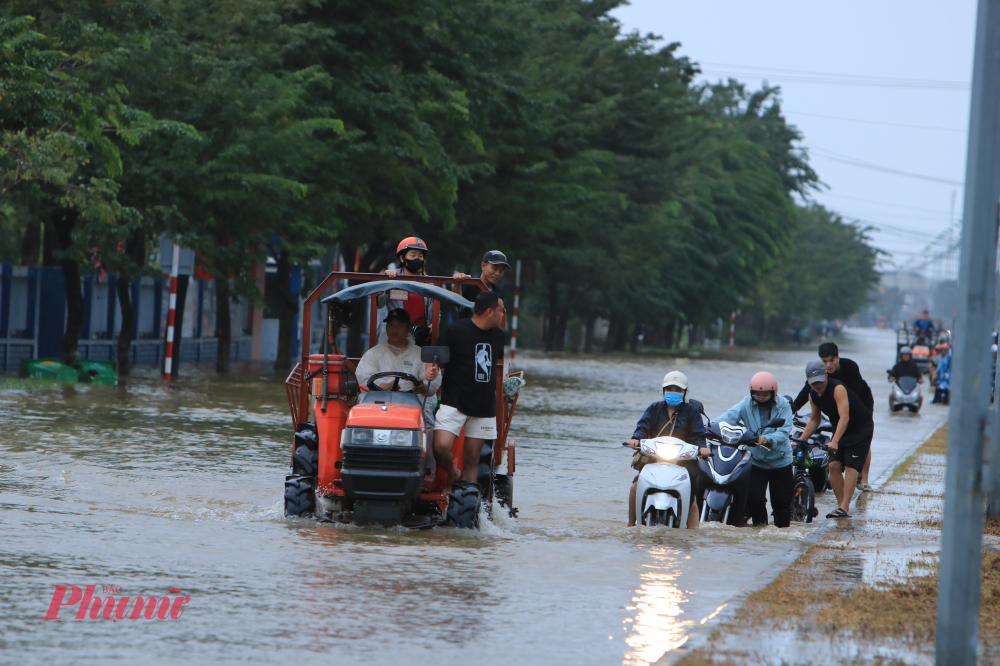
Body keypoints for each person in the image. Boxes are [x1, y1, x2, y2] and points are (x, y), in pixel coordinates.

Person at [424, 291, 506, 492]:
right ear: (489, 311)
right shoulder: (454, 331)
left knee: (472, 459)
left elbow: (496, 366)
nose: (503, 314)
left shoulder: (500, 336)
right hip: (454, 401)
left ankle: (466, 506)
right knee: (440, 446)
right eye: (501, 310)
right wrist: (431, 369)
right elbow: (435, 360)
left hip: (484, 406)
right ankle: (452, 473)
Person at [626, 371, 710, 528]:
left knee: (691, 500)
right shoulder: (654, 409)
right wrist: (636, 438)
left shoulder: (692, 411)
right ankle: (631, 526)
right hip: (655, 459)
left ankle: (693, 535)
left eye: (678, 390)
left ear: (685, 392)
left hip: (684, 462)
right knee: (635, 487)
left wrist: (703, 448)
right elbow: (642, 427)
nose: (673, 392)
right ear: (663, 390)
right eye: (669, 389)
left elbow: (699, 435)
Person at [712, 372, 794, 527]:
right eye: (757, 395)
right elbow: (729, 416)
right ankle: (760, 531)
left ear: (773, 393)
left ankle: (781, 540)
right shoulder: (746, 403)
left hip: (780, 462)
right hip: (756, 461)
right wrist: (710, 427)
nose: (761, 398)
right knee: (754, 500)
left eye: (765, 395)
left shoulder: (784, 405)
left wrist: (767, 439)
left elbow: (783, 432)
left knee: (781, 507)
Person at [792, 342, 875, 492]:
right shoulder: (820, 374)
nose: (828, 365)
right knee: (840, 442)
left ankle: (864, 479)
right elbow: (807, 391)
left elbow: (853, 396)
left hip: (861, 403)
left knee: (862, 439)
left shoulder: (850, 367)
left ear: (838, 357)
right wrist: (791, 409)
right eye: (824, 361)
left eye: (831, 360)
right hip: (840, 405)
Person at [799, 360, 874, 519]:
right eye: (813, 382)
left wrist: (835, 440)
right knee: (833, 465)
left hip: (860, 428)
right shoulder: (813, 395)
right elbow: (814, 421)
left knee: (850, 466)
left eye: (820, 380)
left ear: (826, 375)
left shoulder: (837, 388)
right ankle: (842, 507)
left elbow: (845, 417)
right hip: (841, 429)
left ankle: (845, 507)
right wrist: (800, 440)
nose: (817, 385)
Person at [355, 308, 442, 431]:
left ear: (408, 328)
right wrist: (381, 385)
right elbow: (363, 376)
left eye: (400, 325)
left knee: (427, 421)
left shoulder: (420, 354)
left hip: (411, 405)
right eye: (391, 325)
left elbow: (432, 381)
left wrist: (423, 386)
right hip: (378, 404)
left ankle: (425, 449)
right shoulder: (373, 353)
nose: (394, 329)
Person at [377, 237, 434, 344]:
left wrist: (433, 326)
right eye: (413, 255)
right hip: (394, 338)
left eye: (420, 256)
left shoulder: (429, 283)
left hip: (420, 338)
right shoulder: (393, 278)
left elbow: (435, 312)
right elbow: (379, 303)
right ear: (402, 258)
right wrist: (386, 283)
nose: (417, 259)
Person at [453, 250, 509, 318]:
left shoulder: (498, 294)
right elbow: (455, 303)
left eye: (501, 270)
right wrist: (458, 282)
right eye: (494, 268)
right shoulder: (468, 285)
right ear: (483, 265)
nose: (497, 273)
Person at [888, 346, 924, 411]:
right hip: (900, 388)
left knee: (921, 397)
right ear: (901, 356)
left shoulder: (914, 366)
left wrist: (920, 379)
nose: (905, 356)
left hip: (911, 389)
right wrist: (891, 378)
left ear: (910, 356)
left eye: (907, 355)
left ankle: (918, 411)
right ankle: (892, 410)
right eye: (904, 355)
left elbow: (919, 375)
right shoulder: (897, 366)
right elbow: (892, 374)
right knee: (891, 395)